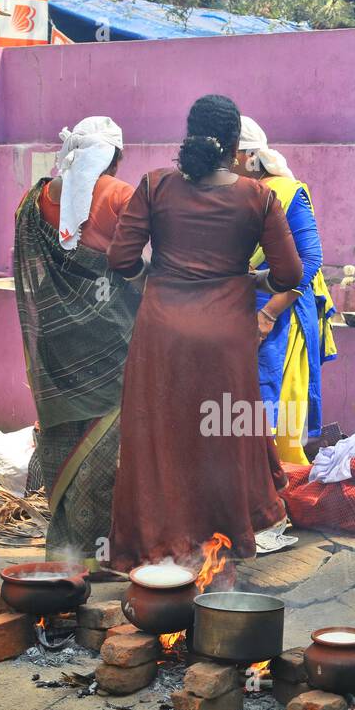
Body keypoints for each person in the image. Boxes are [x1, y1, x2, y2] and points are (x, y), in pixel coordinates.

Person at [106, 94, 303, 570]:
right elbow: (290, 275)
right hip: (226, 340)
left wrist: (154, 277)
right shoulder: (258, 197)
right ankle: (219, 545)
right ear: (237, 144)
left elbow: (121, 260)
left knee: (160, 438)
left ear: (188, 133)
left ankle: (157, 546)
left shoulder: (154, 186)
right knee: (221, 435)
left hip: (161, 337)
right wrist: (251, 280)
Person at [13, 116, 139, 567]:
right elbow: (134, 266)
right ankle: (94, 552)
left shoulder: (32, 201)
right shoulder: (124, 196)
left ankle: (63, 546)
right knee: (106, 445)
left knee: (63, 436)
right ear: (116, 156)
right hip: (109, 343)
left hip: (53, 342)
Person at [235, 116, 337, 466]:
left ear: (249, 155)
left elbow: (309, 261)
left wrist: (268, 312)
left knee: (274, 406)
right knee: (233, 413)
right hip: (236, 313)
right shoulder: (228, 191)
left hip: (280, 314)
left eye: (230, 153)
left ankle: (276, 492)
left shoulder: (286, 190)